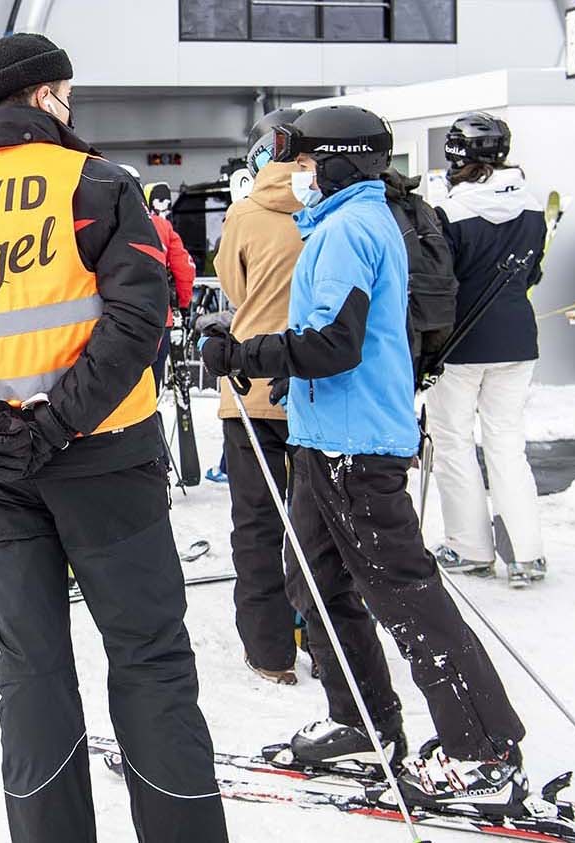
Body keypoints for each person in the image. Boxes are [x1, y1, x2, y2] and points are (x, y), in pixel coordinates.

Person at [0, 32, 227, 842]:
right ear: (42, 97)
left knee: (31, 669)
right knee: (149, 659)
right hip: (104, 452)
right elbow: (140, 318)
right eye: (65, 93)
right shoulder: (99, 185)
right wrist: (59, 421)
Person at [200, 105, 529, 813]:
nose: (301, 176)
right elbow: (338, 336)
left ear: (344, 161)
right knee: (314, 579)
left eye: (309, 162)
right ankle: (363, 721)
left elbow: (336, 343)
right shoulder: (337, 223)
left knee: (403, 593)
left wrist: (247, 354)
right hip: (326, 434)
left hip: (359, 448)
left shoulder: (349, 227)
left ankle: (486, 752)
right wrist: (293, 370)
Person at [428, 112, 549, 586]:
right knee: (507, 444)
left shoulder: (450, 213)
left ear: (456, 155)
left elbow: (439, 284)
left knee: (454, 442)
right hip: (518, 339)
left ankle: (470, 547)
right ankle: (526, 553)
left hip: (460, 344)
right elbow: (533, 272)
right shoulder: (533, 205)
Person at [212, 106, 306, 685]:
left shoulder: (245, 214)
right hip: (322, 388)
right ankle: (325, 634)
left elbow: (234, 287)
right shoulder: (338, 207)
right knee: (318, 523)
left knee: (256, 523)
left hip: (251, 390)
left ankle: (270, 651)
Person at [143, 181, 196, 391]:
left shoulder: (107, 222)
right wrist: (183, 305)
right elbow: (184, 269)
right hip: (157, 317)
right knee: (149, 390)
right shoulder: (163, 227)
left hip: (111, 319)